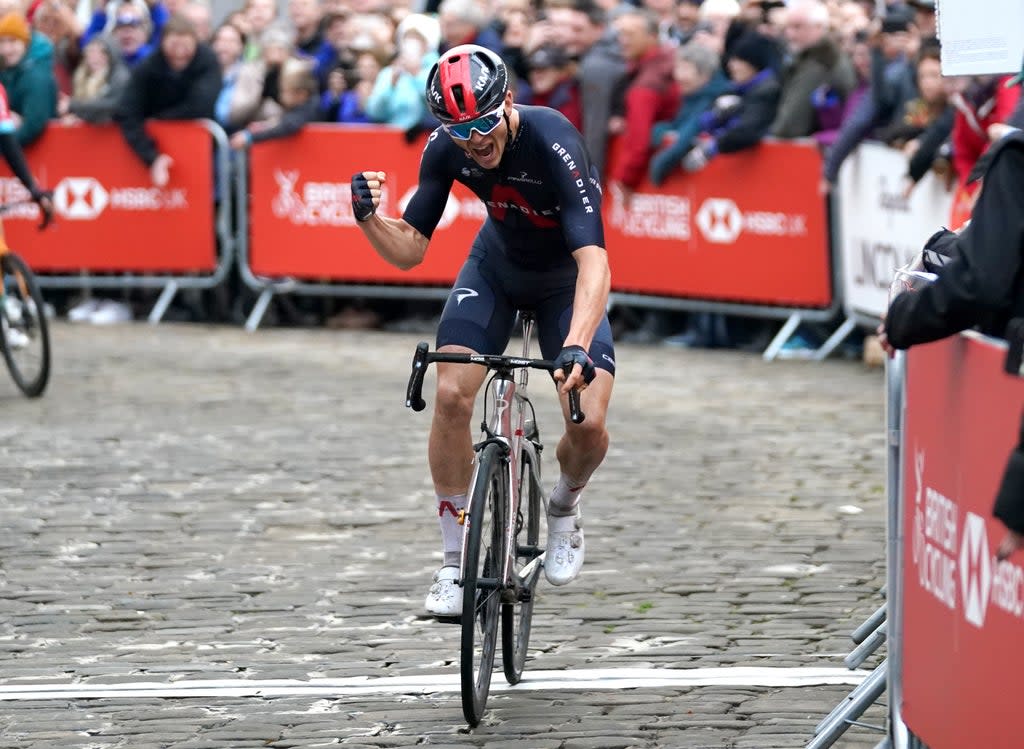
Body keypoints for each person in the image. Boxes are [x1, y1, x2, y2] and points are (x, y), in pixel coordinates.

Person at [349, 44, 615, 617]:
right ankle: (452, 561)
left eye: (486, 123)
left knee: (589, 423)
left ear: (509, 103)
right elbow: (409, 251)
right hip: (494, 270)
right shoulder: (446, 148)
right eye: (461, 128)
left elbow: (595, 261)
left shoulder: (552, 138)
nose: (476, 140)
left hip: (563, 281)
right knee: (449, 394)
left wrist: (577, 342)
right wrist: (370, 218)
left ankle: (564, 506)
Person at [114, 13, 220, 187]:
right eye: (174, 45)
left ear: (195, 42)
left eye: (185, 46)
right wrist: (151, 155)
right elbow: (128, 110)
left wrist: (161, 119)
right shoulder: (149, 66)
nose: (179, 52)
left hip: (198, 141)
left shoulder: (207, 59)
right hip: (151, 141)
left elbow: (202, 104)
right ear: (163, 42)